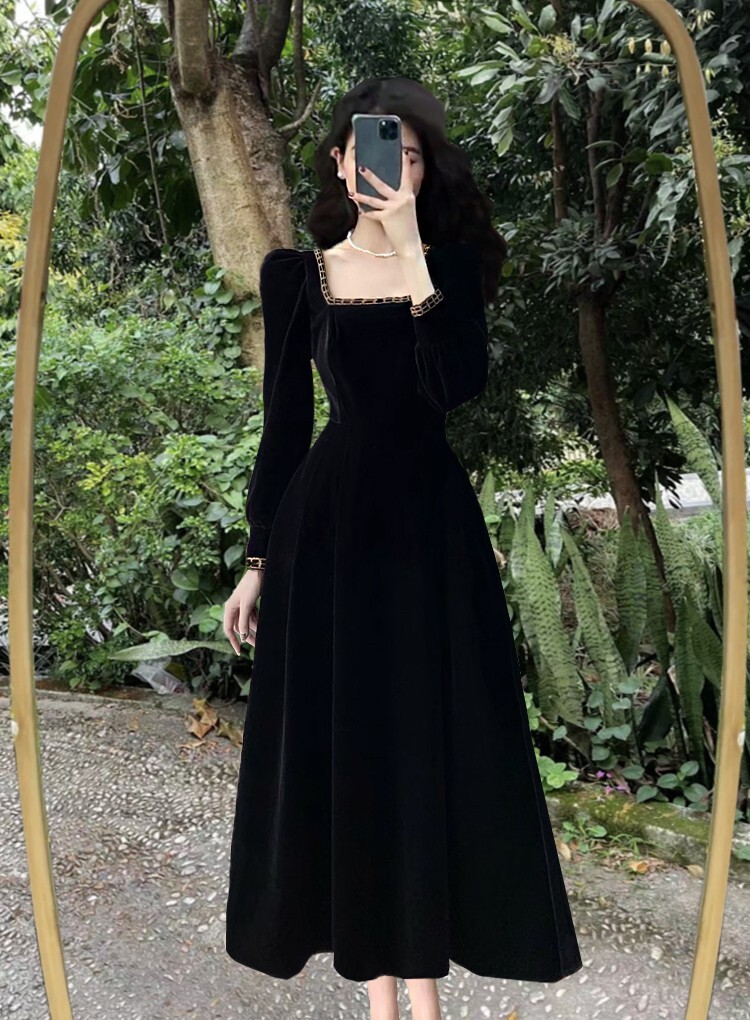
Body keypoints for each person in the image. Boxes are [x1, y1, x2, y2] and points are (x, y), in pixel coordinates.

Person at [223, 76, 583, 1019]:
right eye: (374, 151)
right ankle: (382, 993)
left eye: (410, 155)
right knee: (351, 744)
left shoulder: (449, 272)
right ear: (341, 163)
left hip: (428, 533)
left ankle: (425, 986)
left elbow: (455, 386)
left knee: (426, 738)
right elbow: (282, 428)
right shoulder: (297, 276)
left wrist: (415, 253)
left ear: (425, 173)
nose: (391, 167)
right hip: (330, 535)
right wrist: (257, 564)